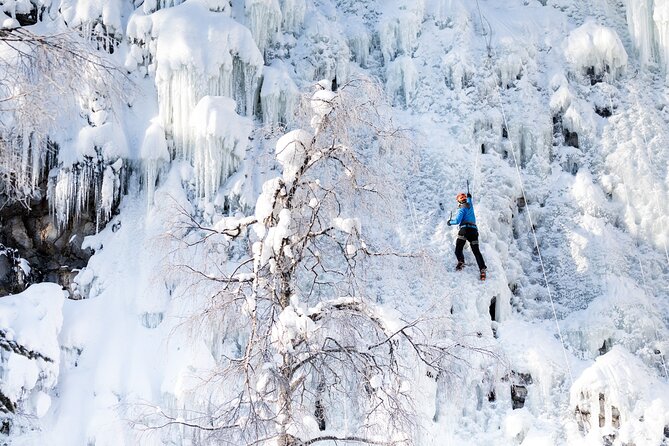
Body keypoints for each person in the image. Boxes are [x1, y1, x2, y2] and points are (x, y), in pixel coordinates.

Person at [447, 192, 487, 280]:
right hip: (474, 231)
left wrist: (450, 222)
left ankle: (461, 262)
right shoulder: (470, 205)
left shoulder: (461, 209)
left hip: (464, 230)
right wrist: (469, 196)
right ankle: (482, 269)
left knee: (458, 248)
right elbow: (469, 200)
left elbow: (457, 221)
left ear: (459, 201)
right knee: (476, 251)